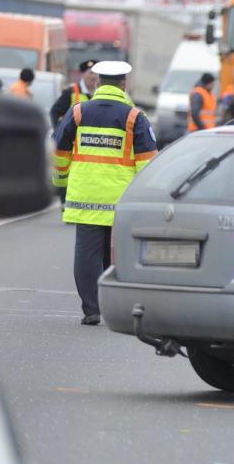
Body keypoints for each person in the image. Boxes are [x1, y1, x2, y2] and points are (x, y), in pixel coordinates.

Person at [52, 61, 157, 325]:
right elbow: (148, 163)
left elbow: (59, 151)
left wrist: (61, 181)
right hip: (121, 200)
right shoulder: (134, 117)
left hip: (85, 197)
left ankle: (91, 309)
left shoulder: (77, 112)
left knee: (86, 254)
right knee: (116, 255)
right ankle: (116, 308)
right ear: (124, 84)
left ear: (98, 82)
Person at [49, 59, 99, 128]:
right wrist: (58, 133)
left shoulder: (101, 94)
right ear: (83, 74)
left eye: (96, 74)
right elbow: (55, 111)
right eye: (91, 73)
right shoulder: (70, 92)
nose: (94, 76)